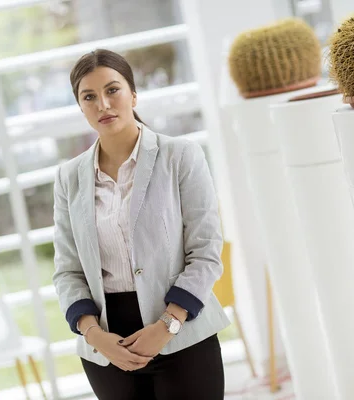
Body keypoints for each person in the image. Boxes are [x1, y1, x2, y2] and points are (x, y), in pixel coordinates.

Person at [52, 48, 230, 400]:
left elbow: (206, 251)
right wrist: (94, 335)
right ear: (81, 106)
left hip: (183, 333)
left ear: (133, 94)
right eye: (89, 97)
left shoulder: (181, 156)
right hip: (108, 349)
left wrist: (168, 325)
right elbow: (67, 271)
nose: (102, 104)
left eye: (112, 90)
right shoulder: (68, 177)